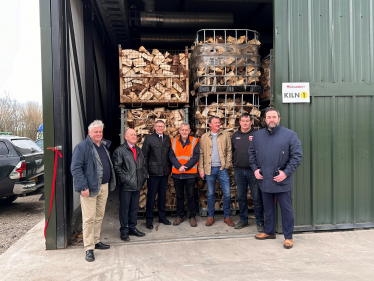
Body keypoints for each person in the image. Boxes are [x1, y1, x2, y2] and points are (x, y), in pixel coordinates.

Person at [249, 107, 303, 249]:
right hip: (264, 180)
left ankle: (288, 237)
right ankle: (269, 232)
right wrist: (255, 169)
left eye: (274, 117)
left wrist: (285, 173)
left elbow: (297, 157)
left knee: (286, 209)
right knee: (268, 207)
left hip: (282, 180)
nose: (271, 119)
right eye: (269, 117)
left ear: (279, 118)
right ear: (265, 120)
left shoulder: (290, 135)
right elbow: (251, 154)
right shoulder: (258, 136)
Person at [71, 120, 116, 262]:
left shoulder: (103, 145)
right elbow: (76, 168)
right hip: (89, 188)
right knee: (89, 218)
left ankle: (96, 241)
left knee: (99, 216)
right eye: (95, 131)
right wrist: (83, 186)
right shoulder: (82, 147)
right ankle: (88, 248)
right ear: (89, 133)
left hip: (104, 186)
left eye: (100, 131)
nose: (98, 134)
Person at [112, 128, 148, 241]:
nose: (134, 136)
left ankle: (132, 227)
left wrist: (142, 179)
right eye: (131, 135)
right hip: (126, 186)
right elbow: (117, 167)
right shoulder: (120, 150)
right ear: (125, 137)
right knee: (124, 209)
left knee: (134, 208)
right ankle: (124, 230)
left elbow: (143, 166)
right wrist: (126, 180)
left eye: (135, 135)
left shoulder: (138, 150)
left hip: (137, 185)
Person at [231, 113, 265, 232]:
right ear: (239, 122)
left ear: (251, 122)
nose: (245, 123)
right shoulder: (235, 136)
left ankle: (260, 222)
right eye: (243, 121)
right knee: (241, 197)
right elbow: (232, 152)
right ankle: (243, 219)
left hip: (253, 171)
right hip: (239, 171)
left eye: (247, 121)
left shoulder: (257, 135)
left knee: (256, 197)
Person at [199, 116, 234, 227]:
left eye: (219, 122)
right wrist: (201, 168)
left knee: (227, 193)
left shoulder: (225, 135)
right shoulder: (204, 137)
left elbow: (229, 150)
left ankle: (227, 216)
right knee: (210, 193)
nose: (218, 124)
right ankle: (210, 216)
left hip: (222, 168)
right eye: (216, 123)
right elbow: (201, 154)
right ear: (210, 124)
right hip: (209, 169)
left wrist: (227, 164)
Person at [142, 120, 172, 229]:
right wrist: (145, 171)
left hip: (164, 172)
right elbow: (144, 156)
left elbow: (169, 155)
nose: (160, 128)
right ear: (154, 127)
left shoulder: (167, 139)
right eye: (158, 126)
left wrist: (170, 168)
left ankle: (162, 217)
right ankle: (149, 220)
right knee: (151, 196)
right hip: (153, 173)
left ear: (164, 127)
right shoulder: (149, 139)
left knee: (162, 196)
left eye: (162, 126)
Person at [169, 123, 200, 227]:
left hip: (190, 173)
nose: (184, 132)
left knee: (191, 195)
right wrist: (179, 167)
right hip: (177, 173)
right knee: (179, 195)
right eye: (182, 130)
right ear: (179, 130)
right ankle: (180, 215)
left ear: (189, 130)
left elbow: (196, 156)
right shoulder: (173, 141)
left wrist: (185, 167)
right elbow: (171, 156)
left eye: (186, 130)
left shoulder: (195, 141)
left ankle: (192, 216)